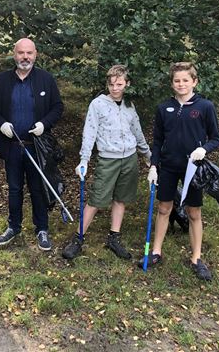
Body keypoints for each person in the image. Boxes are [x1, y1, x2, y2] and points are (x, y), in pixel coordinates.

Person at [139, 62, 219, 281]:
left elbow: (216, 138)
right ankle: (156, 252)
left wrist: (204, 149)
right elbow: (157, 140)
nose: (181, 84)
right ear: (172, 83)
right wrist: (153, 165)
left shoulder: (205, 106)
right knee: (164, 208)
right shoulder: (164, 108)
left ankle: (196, 258)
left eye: (186, 80)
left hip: (192, 167)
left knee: (194, 212)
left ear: (194, 81)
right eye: (177, 80)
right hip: (167, 165)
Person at [62, 65, 152, 260]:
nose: (115, 88)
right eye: (111, 84)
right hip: (108, 159)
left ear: (127, 84)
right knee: (96, 199)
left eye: (119, 84)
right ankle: (78, 238)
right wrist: (83, 159)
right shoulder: (98, 104)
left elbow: (136, 130)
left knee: (120, 198)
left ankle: (114, 237)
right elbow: (90, 132)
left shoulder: (129, 105)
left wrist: (147, 154)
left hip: (129, 158)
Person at [0, 38, 64, 251]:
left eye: (29, 53)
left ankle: (42, 229)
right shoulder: (1, 80)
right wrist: (0, 124)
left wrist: (43, 124)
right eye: (21, 53)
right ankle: (14, 227)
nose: (25, 57)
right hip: (12, 147)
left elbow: (57, 107)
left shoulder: (45, 79)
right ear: (14, 54)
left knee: (37, 189)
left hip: (36, 147)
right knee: (15, 189)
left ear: (35, 54)